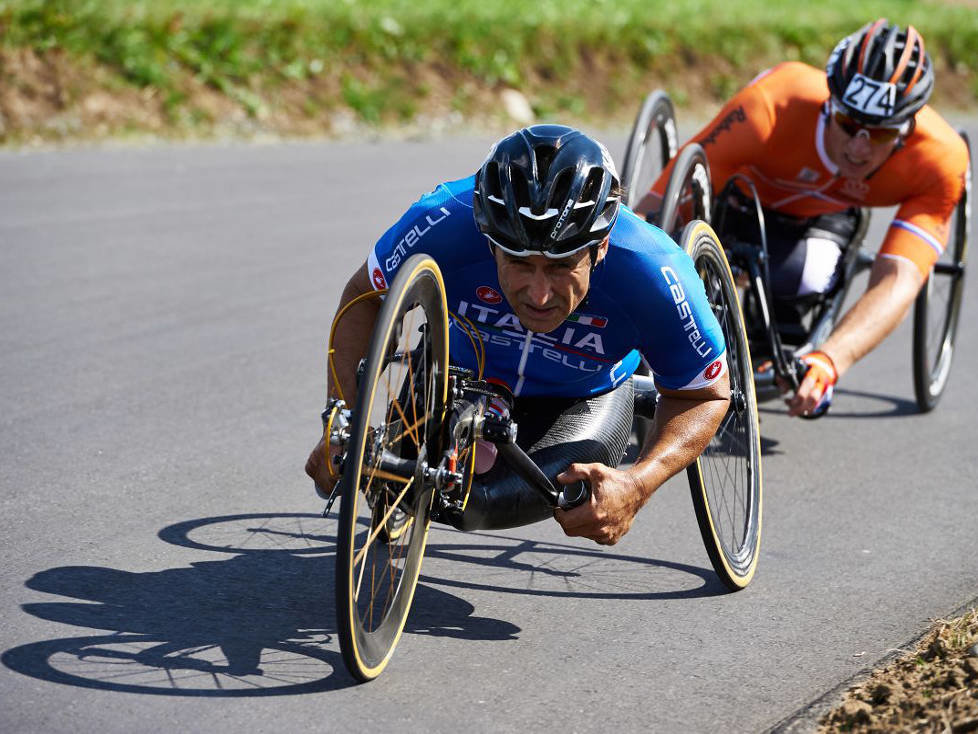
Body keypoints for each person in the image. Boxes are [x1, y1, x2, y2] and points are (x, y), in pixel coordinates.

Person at [305, 124, 731, 546]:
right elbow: (365, 297)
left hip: (583, 396)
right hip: (457, 372)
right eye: (520, 263)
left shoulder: (653, 270)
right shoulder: (444, 221)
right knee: (403, 482)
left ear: (600, 248)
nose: (540, 294)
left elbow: (706, 394)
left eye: (562, 266)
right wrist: (341, 419)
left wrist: (638, 484)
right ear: (488, 242)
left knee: (482, 504)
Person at [638, 19, 969, 417]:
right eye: (848, 124)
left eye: (879, 135)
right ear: (830, 104)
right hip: (740, 202)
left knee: (805, 276)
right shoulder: (771, 106)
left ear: (906, 129)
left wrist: (830, 361)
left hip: (822, 221)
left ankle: (762, 328)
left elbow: (899, 276)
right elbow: (653, 209)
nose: (859, 148)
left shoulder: (939, 159)